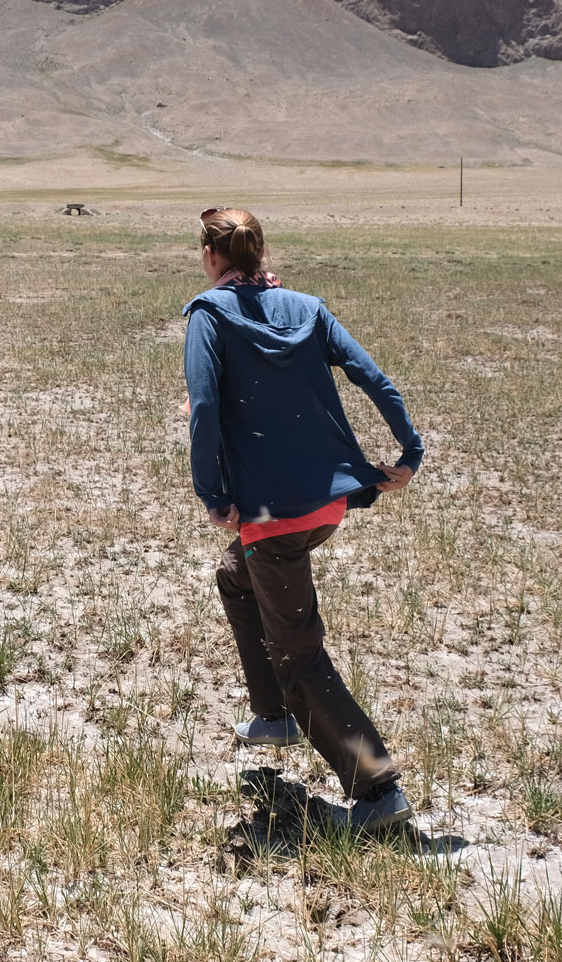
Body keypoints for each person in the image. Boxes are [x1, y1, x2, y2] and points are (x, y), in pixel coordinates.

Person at [184, 207, 423, 830]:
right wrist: (408, 451)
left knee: (300, 654)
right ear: (260, 252)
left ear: (212, 257)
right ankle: (273, 716)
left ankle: (377, 790)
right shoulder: (307, 306)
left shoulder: (208, 315)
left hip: (272, 519)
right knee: (236, 577)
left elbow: (204, 407)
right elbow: (375, 378)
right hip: (328, 502)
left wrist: (212, 493)